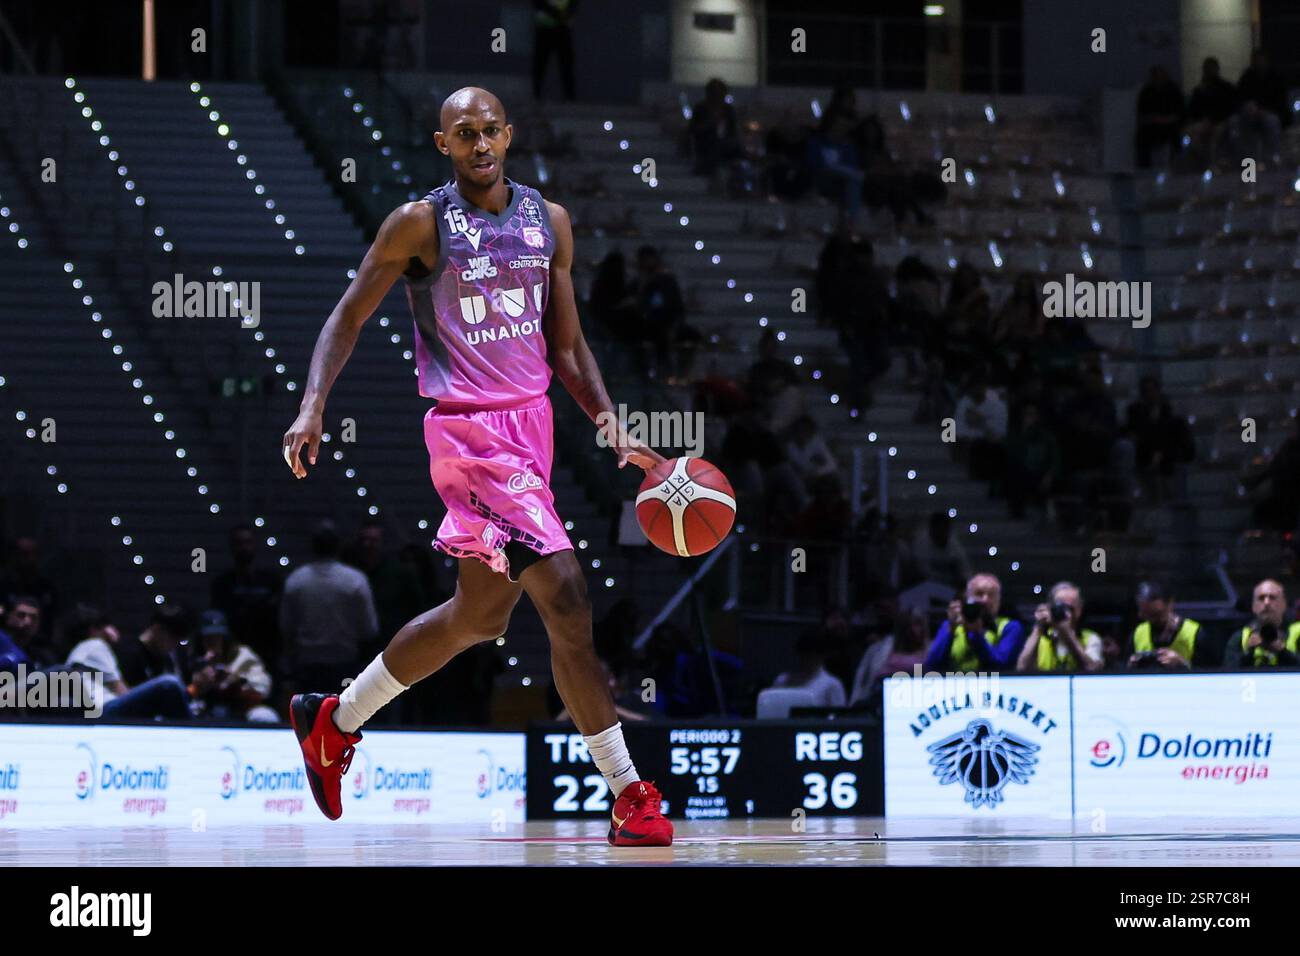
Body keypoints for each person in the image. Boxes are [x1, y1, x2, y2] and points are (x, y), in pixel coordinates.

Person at [280, 87, 672, 846]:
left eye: (491, 130)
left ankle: (333, 722)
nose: (481, 143)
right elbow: (347, 314)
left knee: (477, 618)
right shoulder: (419, 223)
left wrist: (609, 421)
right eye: (465, 134)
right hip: (468, 436)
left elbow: (565, 347)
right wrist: (312, 403)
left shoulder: (549, 221)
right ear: (443, 144)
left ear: (510, 135)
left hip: (531, 431)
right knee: (566, 595)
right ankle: (629, 792)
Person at [280, 520, 378, 697]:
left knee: (307, 720)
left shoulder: (296, 580)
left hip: (307, 666)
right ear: (338, 546)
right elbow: (369, 629)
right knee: (344, 720)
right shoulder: (355, 580)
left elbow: (286, 627)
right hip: (344, 664)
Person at [209, 523, 282, 674]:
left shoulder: (271, 581)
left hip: (267, 655)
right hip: (234, 656)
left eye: (247, 542)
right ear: (232, 547)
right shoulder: (222, 584)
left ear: (254, 545)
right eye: (239, 543)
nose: (243, 548)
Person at [923, 573, 1024, 673]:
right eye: (979, 594)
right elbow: (931, 666)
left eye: (991, 595)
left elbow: (1000, 666)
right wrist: (950, 628)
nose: (985, 600)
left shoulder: (1010, 627)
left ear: (998, 600)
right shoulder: (950, 625)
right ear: (967, 598)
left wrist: (975, 635)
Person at [1016, 581, 1103, 672]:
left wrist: (1067, 634)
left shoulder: (1091, 638)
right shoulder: (1041, 638)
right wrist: (1038, 628)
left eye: (1070, 608)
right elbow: (1022, 668)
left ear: (1079, 610)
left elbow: (1092, 669)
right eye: (1060, 607)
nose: (1065, 612)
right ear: (1050, 608)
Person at [1128, 581, 1210, 670]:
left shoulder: (1194, 632)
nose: (1152, 619)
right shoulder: (1138, 633)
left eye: (1156, 614)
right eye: (1145, 614)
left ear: (1170, 604)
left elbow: (1212, 673)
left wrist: (1183, 664)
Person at [1223, 579, 1300, 668]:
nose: (1266, 603)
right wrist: (1249, 652)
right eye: (1261, 598)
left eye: (1272, 598)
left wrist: (1283, 651)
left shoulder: (1298, 634)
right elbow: (1227, 673)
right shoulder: (1240, 637)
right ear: (1253, 606)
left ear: (1284, 604)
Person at [770, 628, 846, 708]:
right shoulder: (782, 680)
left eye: (812, 654)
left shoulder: (832, 685)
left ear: (822, 655)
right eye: (804, 653)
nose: (807, 658)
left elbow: (839, 717)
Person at [1134, 65, 1184, 168]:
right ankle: (1145, 168)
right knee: (1142, 137)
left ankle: (1177, 166)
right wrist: (1152, 119)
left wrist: (1164, 120)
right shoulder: (1147, 92)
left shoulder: (1174, 91)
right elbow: (1142, 115)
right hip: (1152, 127)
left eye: (1162, 76)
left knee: (1176, 137)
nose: (1159, 79)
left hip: (1170, 125)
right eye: (1157, 76)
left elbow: (1179, 113)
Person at [531, 0, 577, 101]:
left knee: (566, 62)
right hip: (545, 27)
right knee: (540, 63)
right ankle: (536, 94)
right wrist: (557, 13)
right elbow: (538, 3)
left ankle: (569, 96)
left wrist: (565, 14)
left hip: (563, 28)